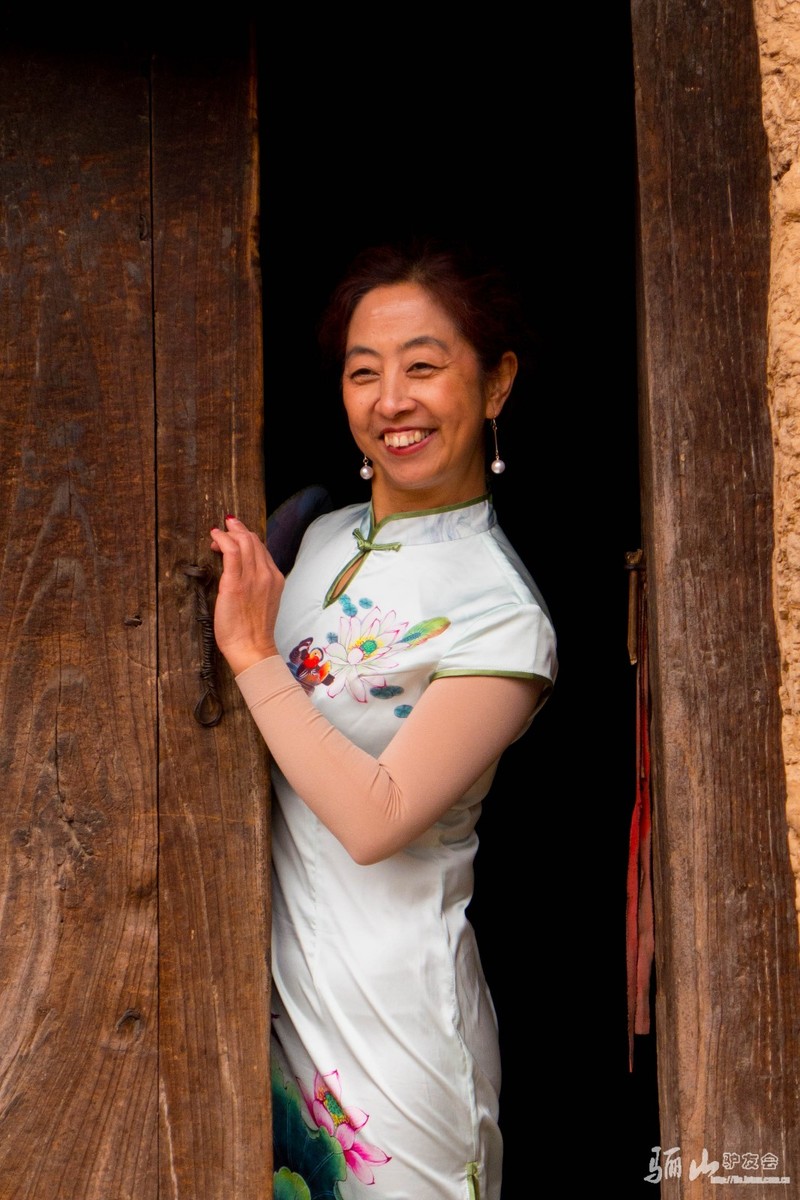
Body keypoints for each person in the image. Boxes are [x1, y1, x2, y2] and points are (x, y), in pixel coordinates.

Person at [209, 240, 558, 1199]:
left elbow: (378, 816)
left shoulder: (501, 613)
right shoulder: (318, 536)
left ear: (496, 383)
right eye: (364, 372)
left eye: (424, 366)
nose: (392, 400)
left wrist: (253, 655)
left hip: (391, 1031)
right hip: (265, 1007)